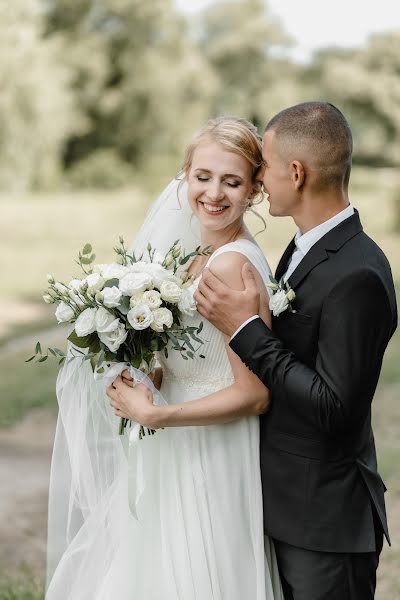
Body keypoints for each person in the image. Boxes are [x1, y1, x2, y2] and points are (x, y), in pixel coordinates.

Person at [47, 116, 283, 599]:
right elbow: (198, 357)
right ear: (185, 174)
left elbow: (253, 393)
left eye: (232, 181)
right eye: (203, 176)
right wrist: (151, 371)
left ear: (254, 190)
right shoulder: (194, 254)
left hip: (210, 452)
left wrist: (157, 413)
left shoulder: (232, 265)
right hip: (176, 443)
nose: (213, 193)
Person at [192, 102, 398, 599]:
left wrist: (244, 329)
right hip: (284, 504)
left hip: (324, 523)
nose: (259, 176)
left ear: (297, 172)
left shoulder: (358, 273)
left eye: (263, 162)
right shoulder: (304, 246)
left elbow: (335, 408)